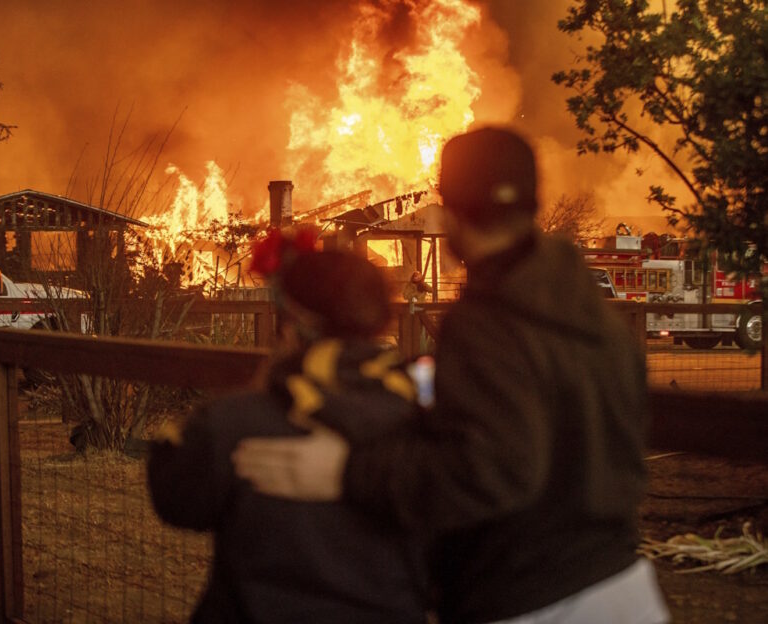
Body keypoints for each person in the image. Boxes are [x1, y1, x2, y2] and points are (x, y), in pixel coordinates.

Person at [232, 127, 670, 624]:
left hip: (532, 599)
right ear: (532, 202)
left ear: (451, 208)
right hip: (626, 590)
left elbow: (488, 468)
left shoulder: (488, 321)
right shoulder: (593, 314)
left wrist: (346, 472)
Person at [147, 230, 429, 623]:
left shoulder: (235, 423)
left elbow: (176, 500)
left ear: (291, 326)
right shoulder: (427, 422)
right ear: (378, 321)